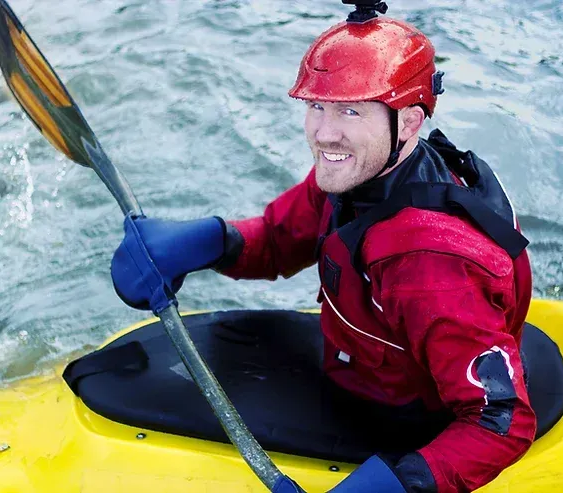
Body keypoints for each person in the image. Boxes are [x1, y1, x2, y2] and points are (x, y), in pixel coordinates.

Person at [110, 5, 536, 493]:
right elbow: (276, 241)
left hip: (404, 419)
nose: (323, 133)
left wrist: (392, 487)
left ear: (410, 122)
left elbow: (502, 420)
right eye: (317, 106)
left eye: (350, 111)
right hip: (355, 360)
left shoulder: (431, 267)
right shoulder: (363, 172)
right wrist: (206, 241)